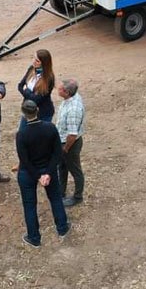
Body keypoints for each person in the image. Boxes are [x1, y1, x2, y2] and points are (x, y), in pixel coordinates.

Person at [15, 99, 70, 247]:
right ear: (37, 110)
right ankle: (62, 228)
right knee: (56, 198)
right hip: (48, 169)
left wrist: (38, 176)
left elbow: (24, 160)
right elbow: (57, 153)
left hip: (28, 173)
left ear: (24, 114)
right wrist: (47, 173)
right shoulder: (50, 128)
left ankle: (34, 237)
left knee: (29, 205)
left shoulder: (22, 134)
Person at [56, 78, 85, 207]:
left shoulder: (73, 109)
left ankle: (77, 197)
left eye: (60, 88)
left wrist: (66, 148)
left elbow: (72, 135)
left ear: (67, 92)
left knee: (75, 170)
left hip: (69, 144)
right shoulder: (71, 98)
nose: (57, 88)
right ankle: (60, 192)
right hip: (63, 141)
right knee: (61, 167)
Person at [16, 49, 56, 130]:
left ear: (44, 63)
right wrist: (30, 94)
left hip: (43, 113)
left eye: (37, 61)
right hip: (28, 110)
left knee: (40, 139)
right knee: (22, 133)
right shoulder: (31, 69)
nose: (34, 61)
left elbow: (37, 99)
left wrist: (26, 90)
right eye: (33, 58)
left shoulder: (49, 78)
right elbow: (20, 86)